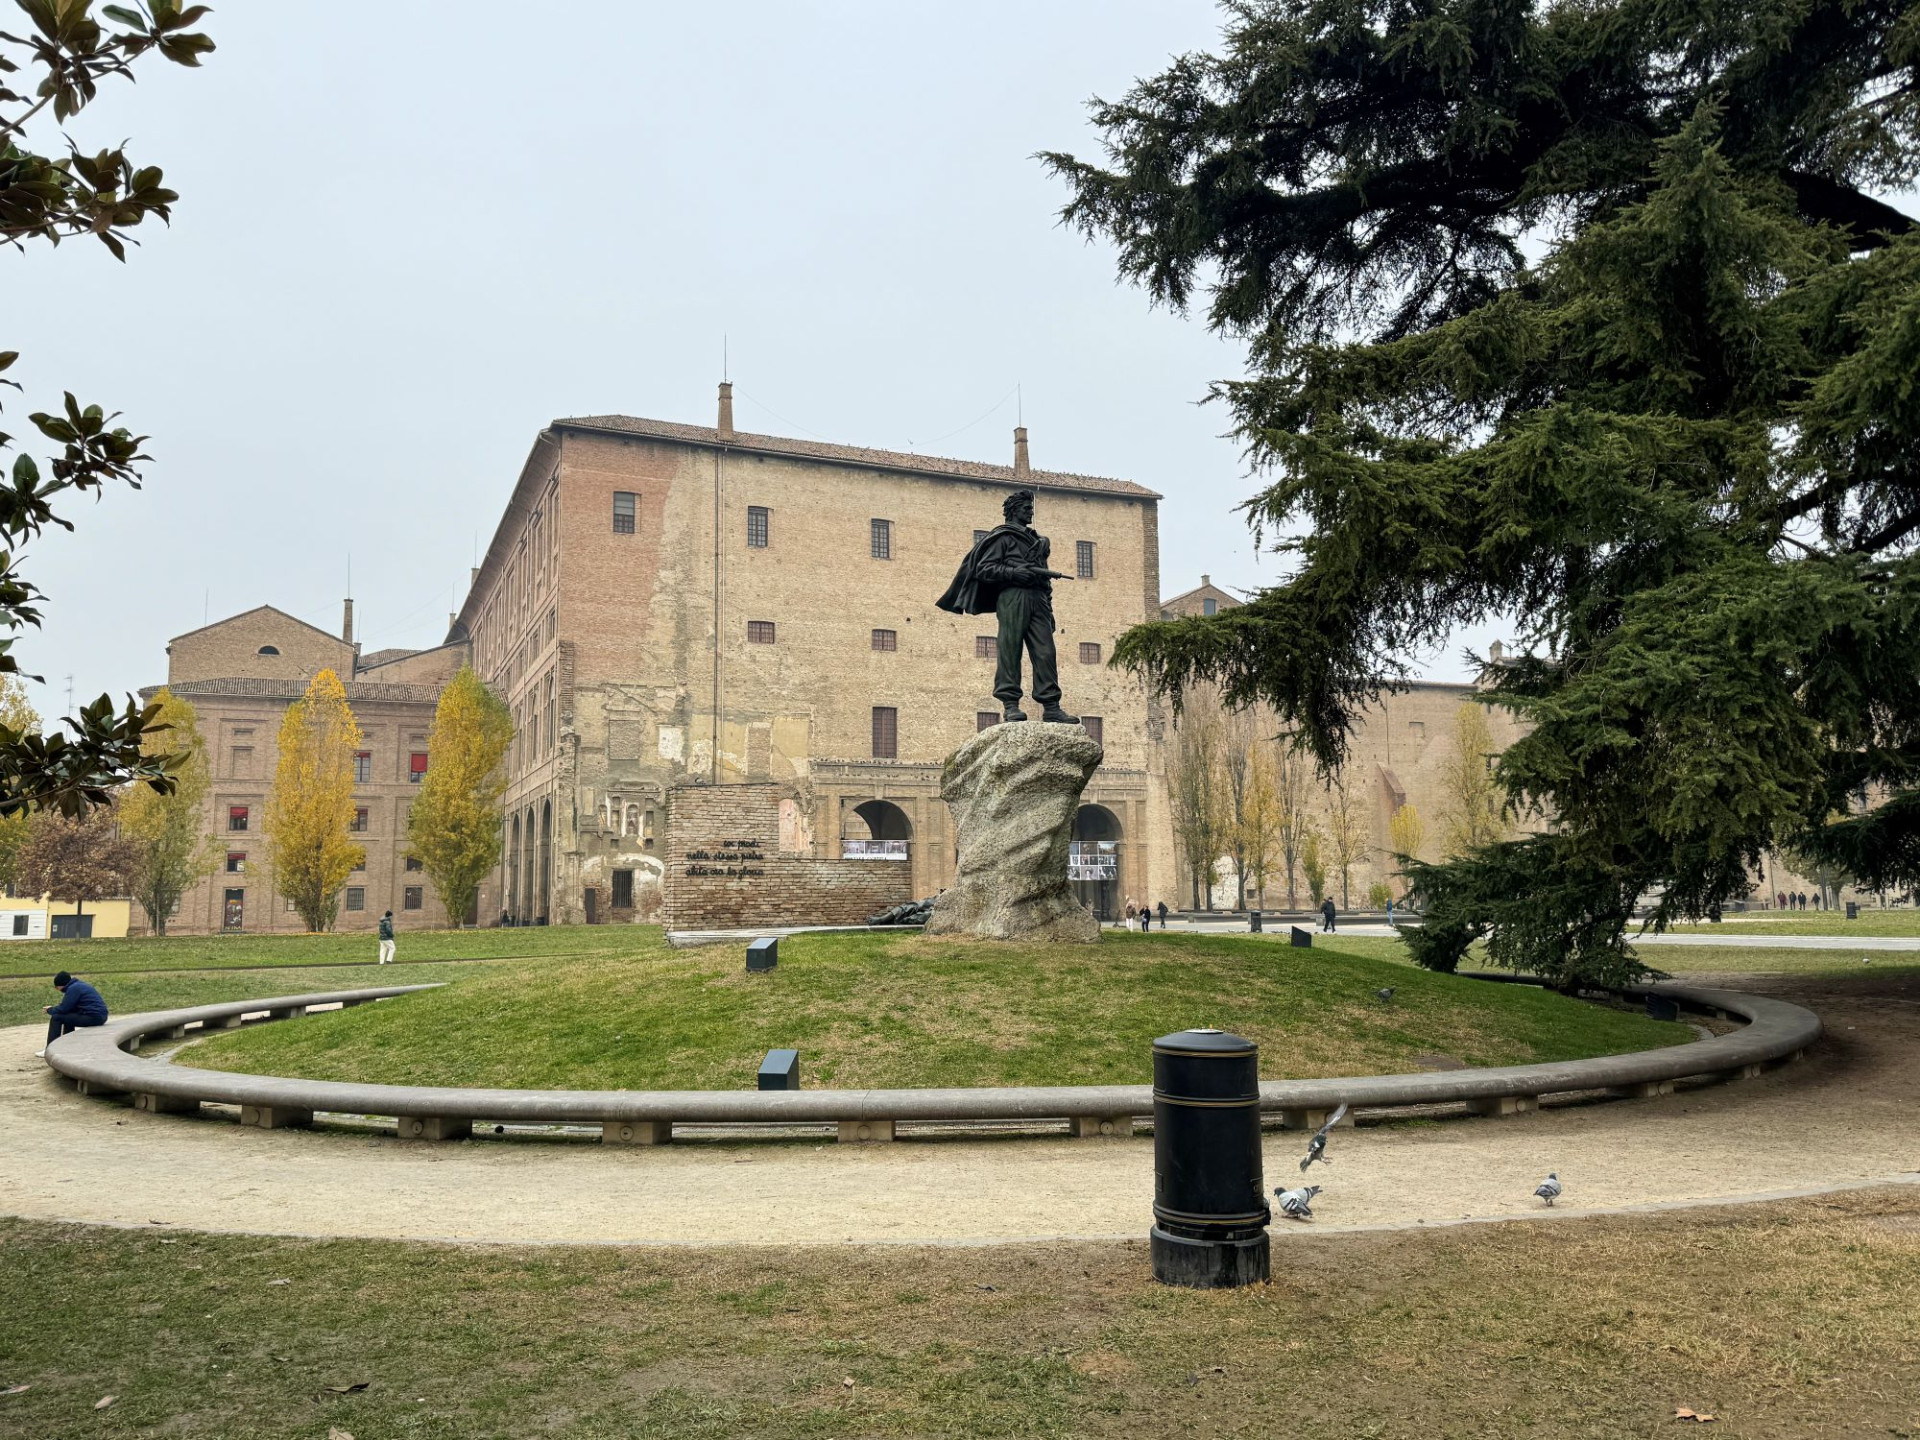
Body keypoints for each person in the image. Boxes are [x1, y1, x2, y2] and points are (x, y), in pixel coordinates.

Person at [936, 487, 1078, 724]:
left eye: (1031, 508)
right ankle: (1010, 704)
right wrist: (1014, 572)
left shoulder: (1038, 542)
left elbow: (1045, 579)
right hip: (1013, 597)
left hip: (1039, 598)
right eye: (1026, 509)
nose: (1030, 512)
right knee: (1010, 649)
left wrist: (1049, 609)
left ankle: (1051, 706)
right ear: (1014, 511)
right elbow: (983, 569)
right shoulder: (1002, 537)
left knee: (1046, 652)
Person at [40, 971, 107, 1057]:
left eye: (57, 987)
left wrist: (50, 1010)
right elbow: (69, 1008)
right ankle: (67, 1046)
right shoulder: (79, 985)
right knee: (68, 1018)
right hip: (99, 1016)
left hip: (93, 1017)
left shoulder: (73, 989)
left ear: (61, 985)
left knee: (56, 1017)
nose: (57, 989)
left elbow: (64, 1008)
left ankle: (49, 1050)